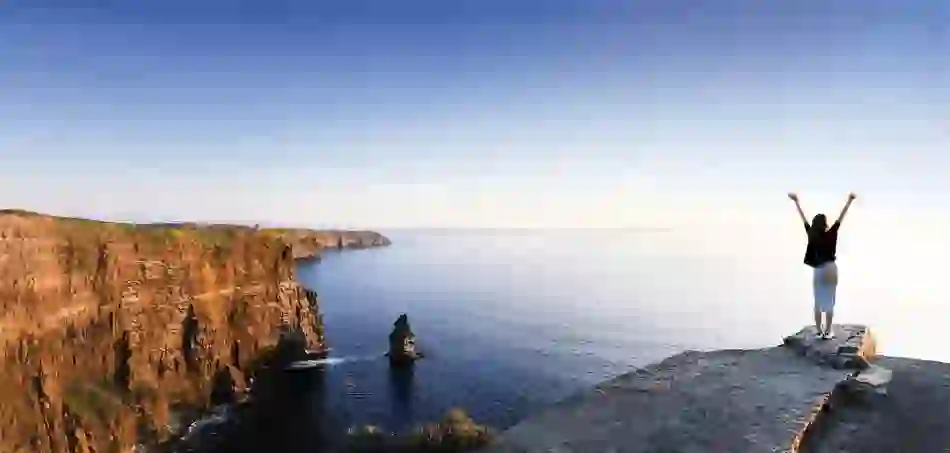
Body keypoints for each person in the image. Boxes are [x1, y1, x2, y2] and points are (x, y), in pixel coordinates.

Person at [787, 192, 857, 340]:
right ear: (825, 224)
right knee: (830, 301)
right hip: (830, 269)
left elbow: (803, 218)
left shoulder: (812, 234)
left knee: (818, 301)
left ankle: (819, 331)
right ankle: (828, 331)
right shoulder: (832, 233)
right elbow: (841, 217)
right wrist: (849, 201)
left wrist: (796, 202)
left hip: (819, 270)